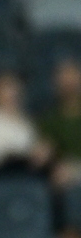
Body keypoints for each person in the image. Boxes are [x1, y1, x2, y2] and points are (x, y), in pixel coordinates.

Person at [39, 59, 81, 188]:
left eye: (73, 79)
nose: (69, 85)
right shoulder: (49, 118)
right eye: (64, 80)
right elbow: (43, 153)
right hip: (64, 173)